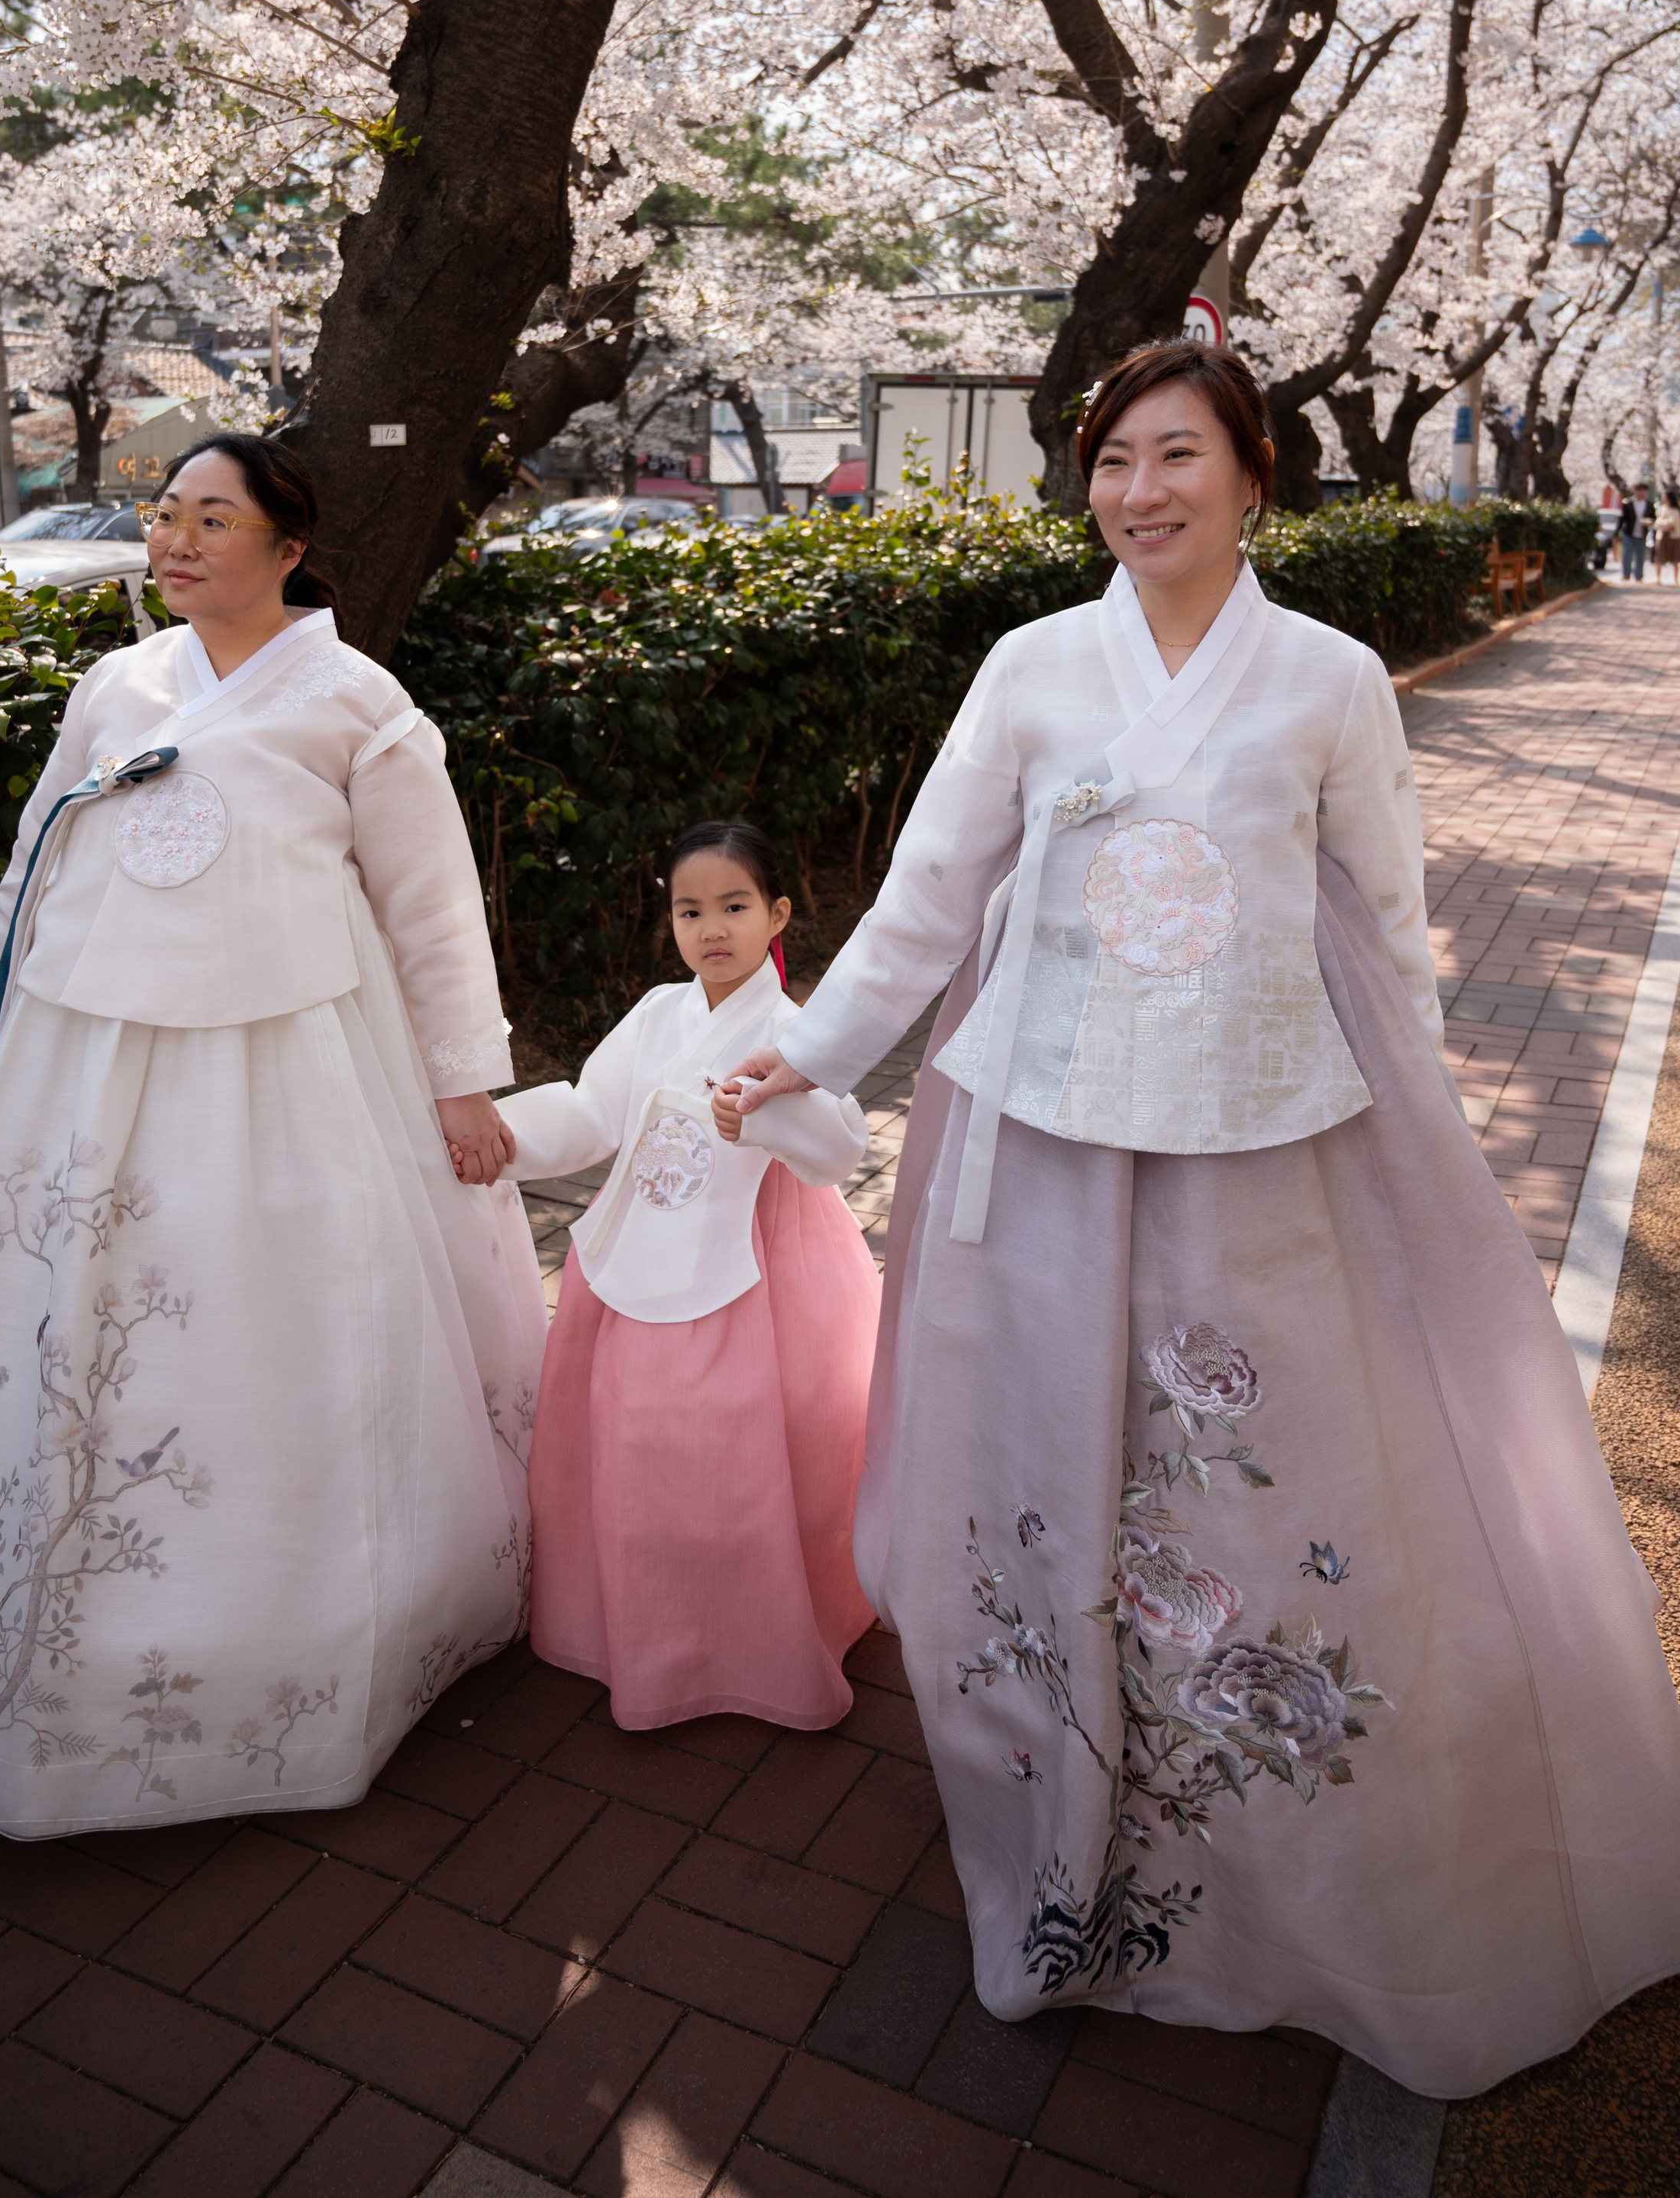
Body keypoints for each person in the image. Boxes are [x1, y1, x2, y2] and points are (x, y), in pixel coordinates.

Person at [730, 341, 1680, 2101]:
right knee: (1047, 1458)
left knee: (1242, 1468)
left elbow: (1387, 932)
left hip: (1257, 1147)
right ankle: (1059, 1799)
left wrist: (1420, 1138)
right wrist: (793, 1052)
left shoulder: (1325, 681)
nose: (1135, 488)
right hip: (1044, 1143)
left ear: (1253, 472)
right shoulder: (1029, 665)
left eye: (1175, 454)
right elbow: (928, 892)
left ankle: (1257, 1837)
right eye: (1108, 458)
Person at [0, 435, 546, 1837]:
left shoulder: (357, 699)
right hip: (84, 1056)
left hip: (293, 1062)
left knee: (275, 1317)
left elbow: (433, 904)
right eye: (165, 514)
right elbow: (38, 855)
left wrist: (467, 1080)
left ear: (289, 544)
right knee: (69, 1314)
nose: (174, 540)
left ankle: (297, 1641)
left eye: (210, 518)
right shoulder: (118, 683)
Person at [497, 821, 880, 1729]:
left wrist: (765, 1115)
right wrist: (501, 1139)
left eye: (735, 906)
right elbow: (594, 1112)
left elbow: (839, 1149)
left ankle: (756, 1630)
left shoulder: (797, 1031)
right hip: (637, 1252)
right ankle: (644, 1621)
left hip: (764, 1264)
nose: (712, 928)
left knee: (751, 1448)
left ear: (777, 913)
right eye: (690, 909)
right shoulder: (659, 1013)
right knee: (634, 1438)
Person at [1618, 484, 1649, 581]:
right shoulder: (1628, 504)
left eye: (1643, 490)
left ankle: (1639, 576)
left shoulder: (1649, 505)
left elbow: (1653, 518)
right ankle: (1626, 574)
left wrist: (1649, 522)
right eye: (1639, 490)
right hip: (1629, 533)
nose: (1641, 493)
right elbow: (1622, 519)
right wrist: (1616, 532)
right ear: (1635, 491)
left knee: (1640, 557)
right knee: (1627, 555)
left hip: (1642, 534)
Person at [1656, 495, 1680, 585]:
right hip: (1662, 536)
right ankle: (1658, 578)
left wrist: (1662, 522)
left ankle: (1676, 579)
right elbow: (1658, 521)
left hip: (1674, 537)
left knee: (1675, 558)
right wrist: (1662, 523)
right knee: (1659, 557)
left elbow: (1671, 522)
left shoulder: (1675, 511)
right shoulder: (1662, 509)